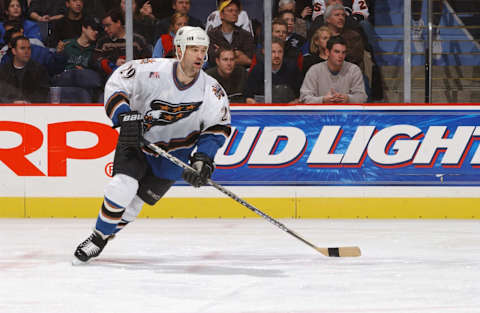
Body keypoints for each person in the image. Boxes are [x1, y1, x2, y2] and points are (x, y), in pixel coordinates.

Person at [73, 26, 232, 263]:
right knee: (122, 186)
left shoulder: (212, 90)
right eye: (193, 50)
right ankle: (97, 238)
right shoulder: (149, 70)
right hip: (136, 141)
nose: (200, 56)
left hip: (174, 156)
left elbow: (216, 128)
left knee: (136, 204)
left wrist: (203, 159)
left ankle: (105, 235)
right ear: (179, 50)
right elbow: (117, 84)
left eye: (203, 50)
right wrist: (124, 115)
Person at [300, 36, 366, 103]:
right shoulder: (314, 70)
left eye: (343, 52)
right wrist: (323, 100)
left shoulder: (354, 70)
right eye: (336, 52)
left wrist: (347, 98)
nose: (340, 56)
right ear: (327, 52)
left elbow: (362, 97)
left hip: (346, 112)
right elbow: (304, 98)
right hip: (321, 112)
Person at [94, 8, 150, 78]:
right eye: (104, 26)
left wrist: (131, 63)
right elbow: (95, 62)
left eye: (108, 25)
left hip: (135, 79)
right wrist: (113, 63)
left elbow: (148, 61)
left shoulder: (138, 40)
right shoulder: (102, 42)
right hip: (111, 80)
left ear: (118, 23)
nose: (105, 29)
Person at [244, 37, 301, 104]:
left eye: (280, 52)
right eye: (273, 52)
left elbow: (300, 97)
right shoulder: (257, 70)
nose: (277, 55)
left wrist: (293, 104)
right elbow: (248, 98)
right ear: (264, 52)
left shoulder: (293, 69)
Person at [0, 36, 50, 103]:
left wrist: (27, 102)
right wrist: (12, 102)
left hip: (32, 109)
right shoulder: (3, 70)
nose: (27, 52)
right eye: (22, 48)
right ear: (14, 51)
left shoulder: (39, 69)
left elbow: (43, 93)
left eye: (29, 48)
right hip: (8, 110)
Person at [207, 0, 255, 69]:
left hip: (240, 75)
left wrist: (221, 52)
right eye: (230, 10)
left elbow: (249, 60)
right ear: (221, 15)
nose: (234, 13)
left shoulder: (246, 35)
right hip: (217, 75)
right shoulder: (212, 35)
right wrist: (236, 54)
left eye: (236, 11)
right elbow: (212, 60)